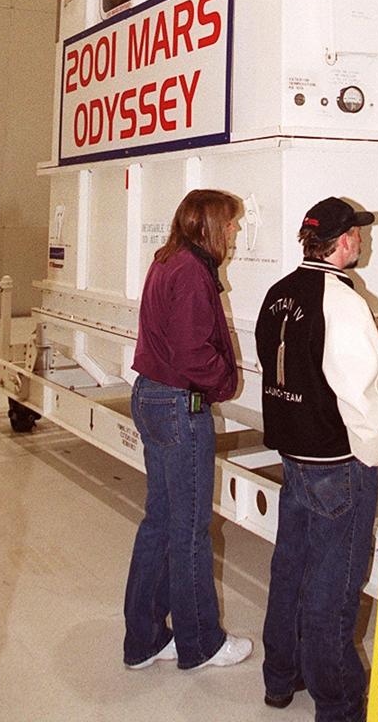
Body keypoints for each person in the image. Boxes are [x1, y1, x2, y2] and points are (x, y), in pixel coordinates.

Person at [255, 196, 378, 722]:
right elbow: (360, 392)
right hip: (337, 462)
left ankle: (281, 676)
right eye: (359, 232)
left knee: (290, 566)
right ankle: (337, 703)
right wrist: (374, 450)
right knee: (334, 589)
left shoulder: (278, 294)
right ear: (344, 243)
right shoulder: (343, 301)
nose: (363, 239)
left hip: (293, 453)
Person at [123, 189, 253, 670]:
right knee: (190, 530)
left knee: (158, 521)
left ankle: (145, 639)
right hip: (179, 407)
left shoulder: (168, 260)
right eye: (231, 223)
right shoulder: (193, 273)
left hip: (151, 396)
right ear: (210, 226)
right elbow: (193, 352)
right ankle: (202, 644)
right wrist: (227, 381)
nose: (236, 231)